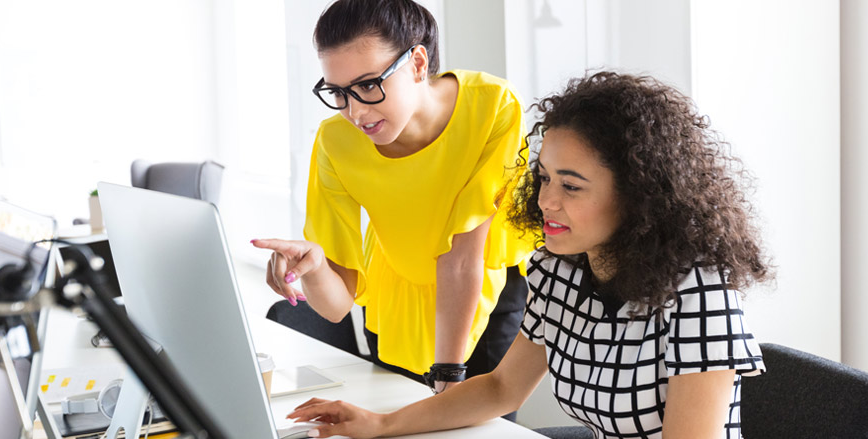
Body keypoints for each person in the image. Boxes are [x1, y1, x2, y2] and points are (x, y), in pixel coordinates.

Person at [284, 71, 772, 439]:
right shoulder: (560, 271)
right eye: (543, 178)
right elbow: (501, 389)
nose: (545, 202)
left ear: (638, 195)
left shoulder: (699, 295)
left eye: (571, 186)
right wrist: (380, 424)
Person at [251, 0, 536, 396]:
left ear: (418, 64)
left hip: (482, 297)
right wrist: (315, 269)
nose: (354, 112)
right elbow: (336, 306)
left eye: (368, 85)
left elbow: (463, 255)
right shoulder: (335, 143)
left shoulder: (493, 107)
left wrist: (448, 376)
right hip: (395, 303)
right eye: (338, 92)